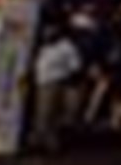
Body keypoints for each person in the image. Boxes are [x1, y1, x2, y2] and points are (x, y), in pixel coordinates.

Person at [31, 21, 84, 152]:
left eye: (51, 30)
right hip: (41, 82)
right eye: (46, 30)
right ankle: (39, 139)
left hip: (55, 82)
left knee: (49, 113)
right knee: (41, 113)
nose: (47, 33)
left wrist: (66, 79)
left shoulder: (66, 46)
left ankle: (51, 142)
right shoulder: (43, 46)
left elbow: (75, 66)